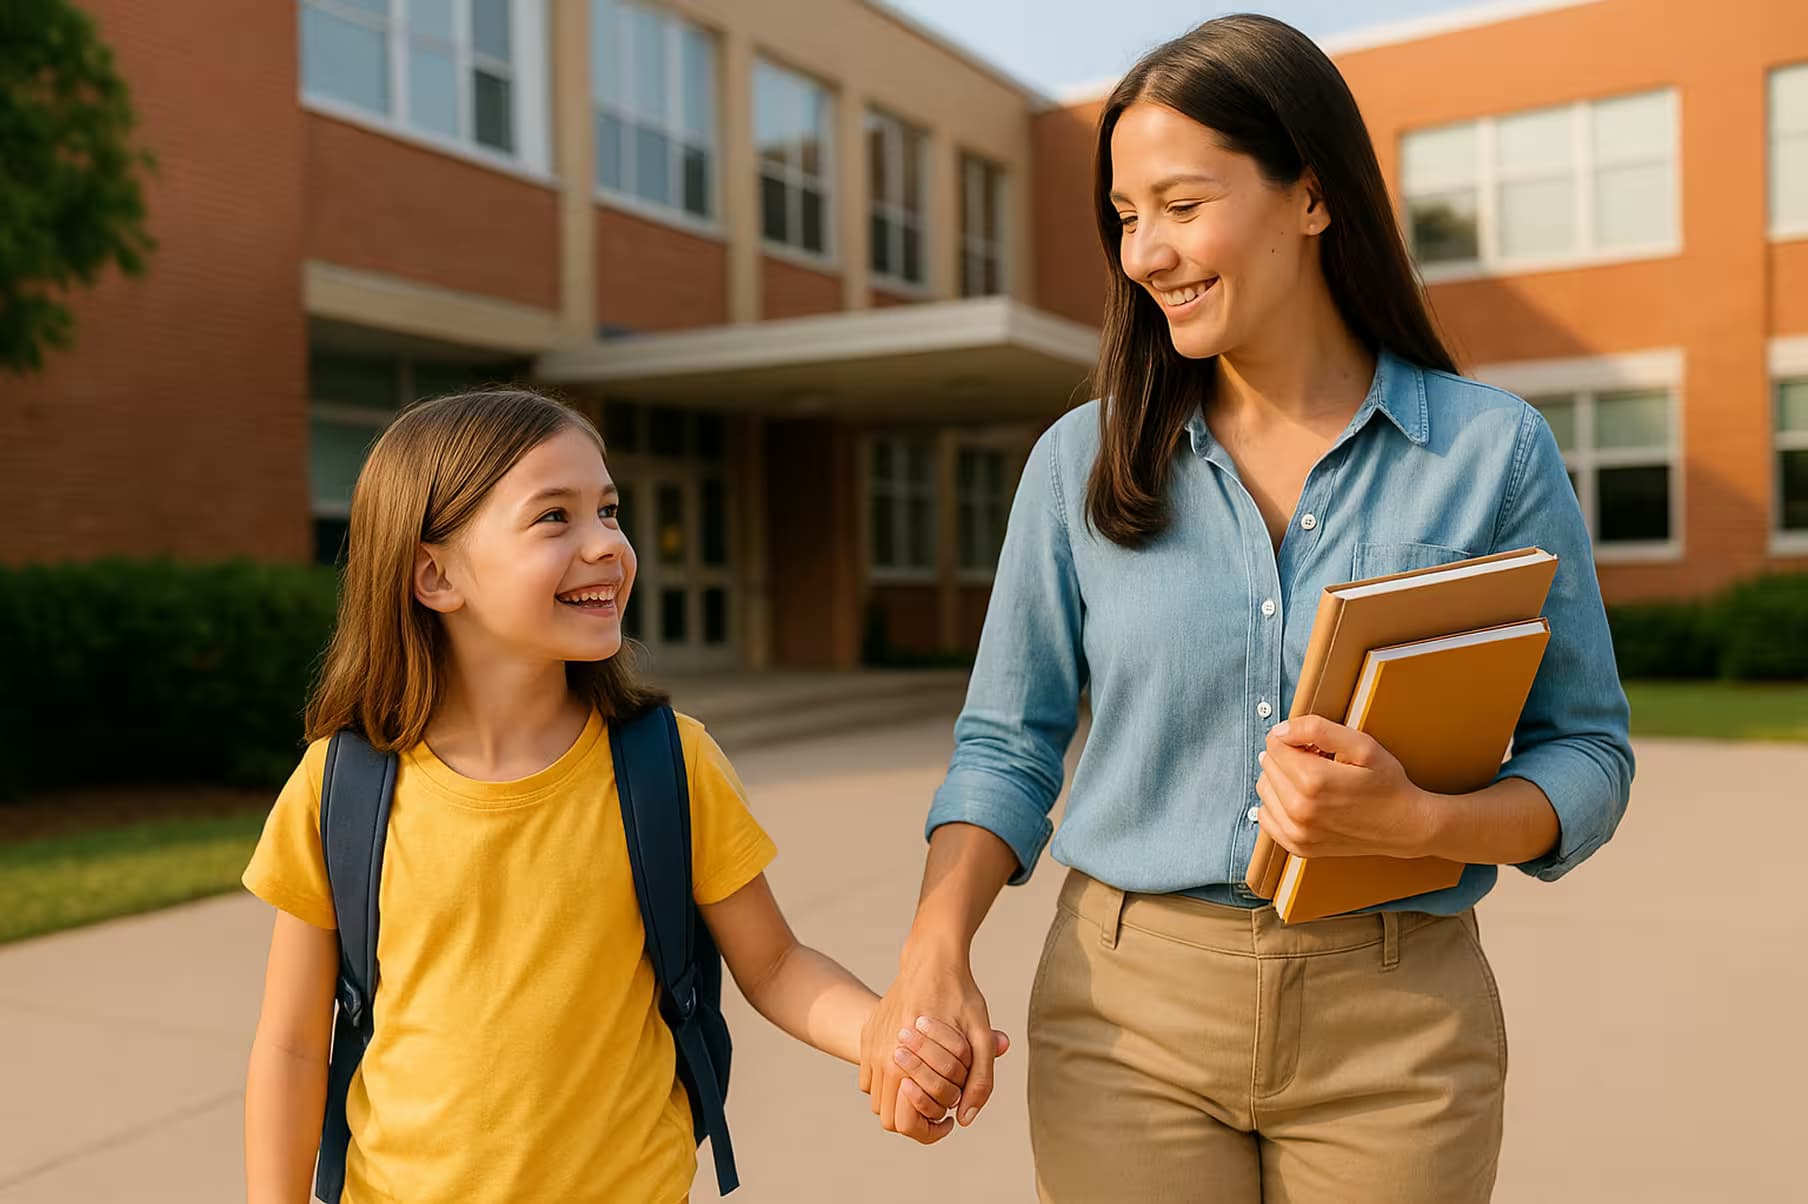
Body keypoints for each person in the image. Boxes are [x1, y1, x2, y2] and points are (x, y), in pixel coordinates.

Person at [858, 14, 1634, 1202]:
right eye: (1124, 218)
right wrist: (934, 946)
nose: (1143, 253)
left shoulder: (1491, 451)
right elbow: (1006, 744)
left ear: (1310, 197)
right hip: (1127, 1017)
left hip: (1398, 1019)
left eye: (1178, 204)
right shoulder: (1079, 464)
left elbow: (1585, 750)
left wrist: (1420, 822)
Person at [242, 388, 1000, 1202]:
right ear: (435, 573)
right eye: (554, 518)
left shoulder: (666, 762)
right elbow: (291, 1045)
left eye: (608, 510)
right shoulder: (345, 785)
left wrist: (888, 1039)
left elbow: (775, 965)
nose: (607, 544)